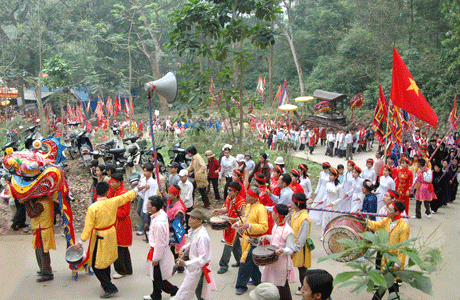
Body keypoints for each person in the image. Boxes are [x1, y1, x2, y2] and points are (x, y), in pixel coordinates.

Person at [73, 182, 138, 298]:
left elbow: (88, 227)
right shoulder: (112, 202)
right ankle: (106, 282)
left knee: (95, 264)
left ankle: (109, 286)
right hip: (111, 233)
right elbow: (126, 197)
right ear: (107, 192)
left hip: (100, 235)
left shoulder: (93, 208)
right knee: (106, 261)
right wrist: (137, 189)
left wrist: (80, 242)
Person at [364, 201, 410, 300]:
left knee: (387, 286)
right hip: (386, 260)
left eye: (390, 209)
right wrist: (364, 220)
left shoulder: (404, 227)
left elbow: (403, 248)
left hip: (394, 262)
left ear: (396, 213)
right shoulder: (387, 221)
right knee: (390, 287)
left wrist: (397, 265)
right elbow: (376, 226)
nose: (387, 211)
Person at [173, 209, 217, 300]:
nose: (189, 220)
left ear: (200, 221)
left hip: (199, 269)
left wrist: (185, 263)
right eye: (190, 217)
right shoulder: (195, 231)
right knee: (189, 289)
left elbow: (202, 259)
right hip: (195, 267)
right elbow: (192, 242)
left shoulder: (202, 236)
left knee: (199, 293)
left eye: (193, 218)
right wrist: (184, 247)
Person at [233, 187, 269, 295]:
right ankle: (257, 280)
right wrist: (239, 223)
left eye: (248, 196)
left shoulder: (261, 208)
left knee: (245, 261)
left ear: (254, 197)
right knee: (252, 261)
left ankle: (240, 285)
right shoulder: (249, 205)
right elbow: (245, 218)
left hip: (254, 239)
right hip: (246, 238)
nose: (246, 198)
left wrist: (249, 225)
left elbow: (264, 227)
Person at [144, 196, 178, 300]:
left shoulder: (158, 223)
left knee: (158, 277)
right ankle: (156, 294)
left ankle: (174, 291)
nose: (147, 205)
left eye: (148, 204)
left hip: (159, 251)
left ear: (154, 208)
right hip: (158, 250)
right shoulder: (160, 214)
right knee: (155, 275)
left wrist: (156, 258)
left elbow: (159, 242)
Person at [260, 204, 296, 300]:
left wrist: (282, 250)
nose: (271, 213)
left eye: (274, 212)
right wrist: (267, 237)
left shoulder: (288, 231)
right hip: (273, 258)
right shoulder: (276, 224)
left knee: (282, 283)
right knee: (273, 281)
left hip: (281, 261)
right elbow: (276, 238)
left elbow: (291, 248)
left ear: (278, 215)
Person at [213, 181, 246, 274]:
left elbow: (244, 217)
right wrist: (219, 210)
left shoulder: (242, 202)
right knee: (235, 245)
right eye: (227, 189)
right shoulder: (229, 198)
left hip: (236, 227)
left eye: (230, 190)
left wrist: (233, 219)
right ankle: (240, 261)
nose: (228, 191)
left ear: (236, 192)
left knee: (228, 245)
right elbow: (226, 209)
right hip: (229, 225)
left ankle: (223, 265)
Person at [24, 195, 55, 282]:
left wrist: (26, 202)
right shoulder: (46, 199)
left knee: (42, 252)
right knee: (39, 251)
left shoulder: (41, 204)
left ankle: (47, 273)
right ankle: (43, 269)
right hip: (42, 230)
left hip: (43, 231)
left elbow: (32, 214)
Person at [288, 193, 312, 296]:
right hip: (292, 244)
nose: (290, 203)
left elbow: (302, 237)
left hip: (300, 247)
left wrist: (295, 249)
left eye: (292, 202)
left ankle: (304, 287)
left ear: (297, 203)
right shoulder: (294, 212)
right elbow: (289, 224)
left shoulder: (305, 218)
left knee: (302, 269)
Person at [110, 173, 133, 279]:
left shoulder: (123, 194)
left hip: (122, 224)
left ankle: (121, 270)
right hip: (119, 223)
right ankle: (127, 269)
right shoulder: (116, 193)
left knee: (119, 248)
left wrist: (112, 210)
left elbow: (124, 212)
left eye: (113, 182)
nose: (111, 184)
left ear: (119, 183)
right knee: (123, 249)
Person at [166, 184, 187, 271]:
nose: (168, 195)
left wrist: (173, 238)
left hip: (176, 233)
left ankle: (179, 267)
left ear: (175, 196)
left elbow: (178, 225)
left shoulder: (179, 209)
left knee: (176, 251)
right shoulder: (171, 204)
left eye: (170, 193)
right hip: (170, 231)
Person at [318, 169, 343, 234]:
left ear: (335, 176)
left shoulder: (339, 186)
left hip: (335, 205)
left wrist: (333, 203)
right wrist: (322, 200)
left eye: (331, 175)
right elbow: (327, 195)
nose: (330, 176)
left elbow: (341, 197)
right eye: (329, 175)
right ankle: (323, 234)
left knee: (333, 219)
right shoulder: (328, 184)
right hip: (328, 203)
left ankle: (333, 234)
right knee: (325, 218)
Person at [137, 163, 158, 236]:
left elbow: (154, 193)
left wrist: (150, 203)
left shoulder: (153, 183)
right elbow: (139, 188)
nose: (145, 173)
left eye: (146, 171)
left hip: (148, 199)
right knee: (139, 211)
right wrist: (143, 187)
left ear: (150, 172)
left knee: (145, 214)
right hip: (142, 197)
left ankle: (142, 230)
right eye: (144, 171)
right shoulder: (143, 179)